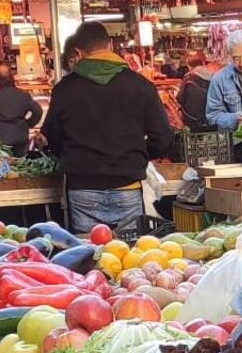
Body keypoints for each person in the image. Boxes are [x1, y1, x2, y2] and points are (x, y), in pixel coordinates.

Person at [42, 21, 175, 234]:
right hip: (128, 186)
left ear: (77, 52)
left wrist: (73, 155)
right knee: (132, 255)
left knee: (88, 256)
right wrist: (138, 156)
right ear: (110, 46)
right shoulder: (140, 85)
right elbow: (163, 137)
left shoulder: (64, 89)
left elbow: (51, 138)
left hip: (83, 189)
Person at [0, 64, 43, 156]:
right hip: (20, 135)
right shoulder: (23, 94)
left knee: (5, 165)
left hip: (2, 137)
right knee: (21, 164)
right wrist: (27, 124)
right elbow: (38, 111)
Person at [177, 53, 216, 133]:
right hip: (210, 116)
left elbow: (179, 98)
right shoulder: (214, 76)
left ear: (189, 66)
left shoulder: (188, 77)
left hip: (192, 118)